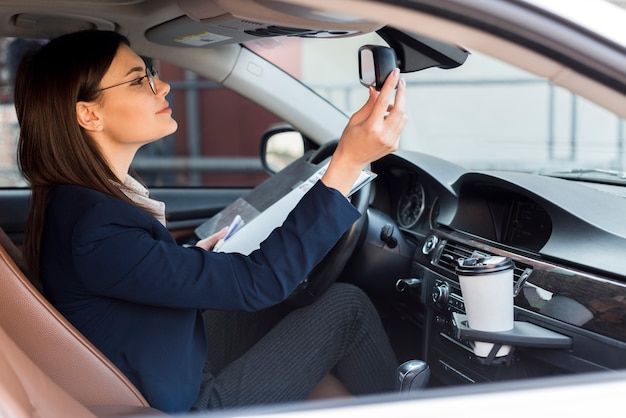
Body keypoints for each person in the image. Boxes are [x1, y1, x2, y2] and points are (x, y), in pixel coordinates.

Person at [14, 29, 408, 413]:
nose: (162, 86)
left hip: (161, 358)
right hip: (181, 402)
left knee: (294, 324)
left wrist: (186, 257)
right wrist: (349, 162)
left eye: (150, 73)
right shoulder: (97, 227)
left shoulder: (80, 202)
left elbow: (128, 274)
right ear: (89, 114)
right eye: (139, 81)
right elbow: (261, 281)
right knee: (346, 308)